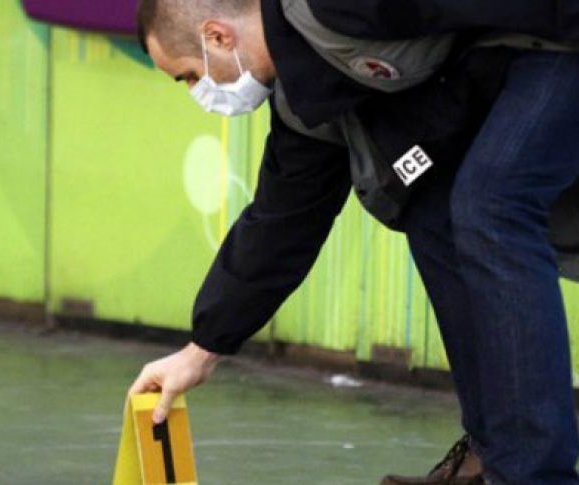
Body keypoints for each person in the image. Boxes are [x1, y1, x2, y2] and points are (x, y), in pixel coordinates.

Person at [127, 0, 579, 483]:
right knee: (434, 212)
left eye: (190, 76)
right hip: (519, 51)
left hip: (559, 35)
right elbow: (281, 221)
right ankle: (493, 455)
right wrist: (201, 350)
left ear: (218, 36)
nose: (200, 92)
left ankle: (533, 475)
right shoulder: (309, 93)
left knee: (491, 204)